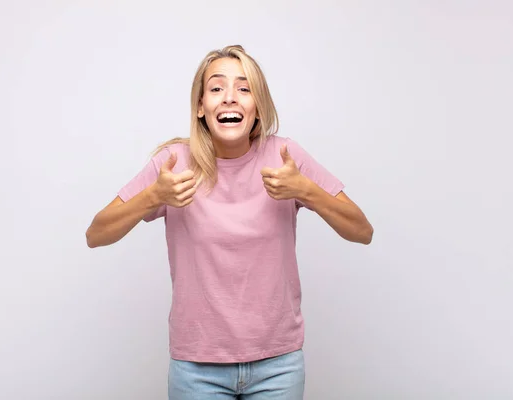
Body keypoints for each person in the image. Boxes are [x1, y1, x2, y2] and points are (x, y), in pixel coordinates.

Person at [86, 44, 373, 400]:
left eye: (244, 88)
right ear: (200, 106)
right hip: (196, 368)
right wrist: (153, 196)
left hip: (278, 366)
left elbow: (363, 232)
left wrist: (307, 190)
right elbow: (96, 234)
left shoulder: (284, 157)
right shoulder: (174, 162)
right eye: (217, 88)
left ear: (258, 106)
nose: (229, 98)